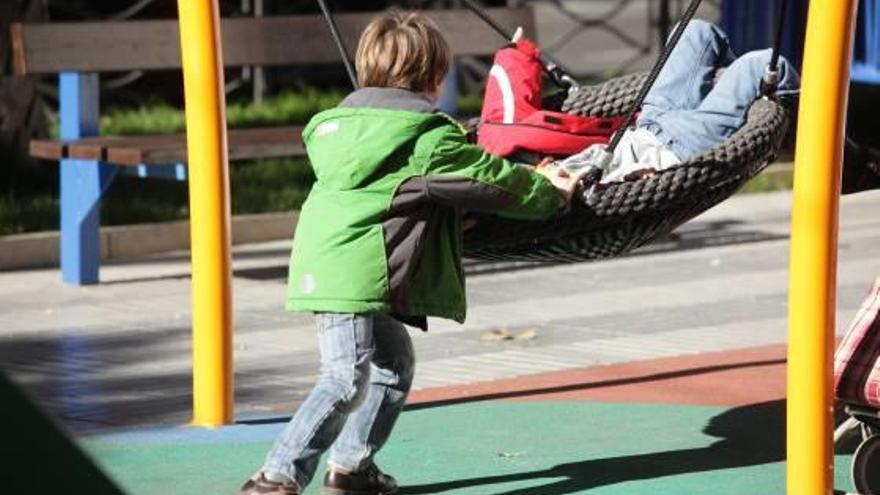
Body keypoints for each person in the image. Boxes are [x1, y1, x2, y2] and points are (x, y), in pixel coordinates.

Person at [238, 10, 580, 495]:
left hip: (332, 264)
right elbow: (491, 182)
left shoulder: (344, 128)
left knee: (392, 364)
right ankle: (275, 478)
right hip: (355, 273)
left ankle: (352, 469)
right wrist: (549, 190)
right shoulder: (425, 139)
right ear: (435, 78)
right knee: (344, 378)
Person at [556, 20, 801, 183]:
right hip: (680, 147)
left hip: (650, 124)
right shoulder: (542, 196)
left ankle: (728, 96)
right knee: (766, 65)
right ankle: (823, 148)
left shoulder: (532, 168)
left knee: (695, 31)